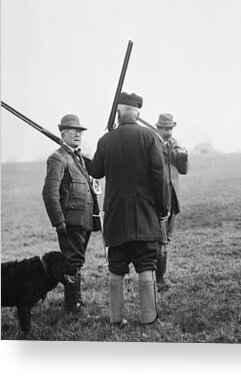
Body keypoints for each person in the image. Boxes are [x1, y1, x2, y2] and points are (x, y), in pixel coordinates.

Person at [90, 92, 168, 325]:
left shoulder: (106, 140)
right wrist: (163, 209)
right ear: (137, 114)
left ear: (118, 114)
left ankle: (115, 319)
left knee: (116, 268)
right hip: (145, 215)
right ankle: (148, 318)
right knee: (146, 265)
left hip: (115, 217)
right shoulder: (150, 136)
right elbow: (159, 178)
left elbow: (95, 171)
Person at [42, 114, 99, 316]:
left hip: (84, 221)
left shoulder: (79, 159)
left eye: (79, 131)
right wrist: (58, 221)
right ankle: (73, 308)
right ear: (62, 134)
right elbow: (49, 193)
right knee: (73, 262)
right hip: (69, 223)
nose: (77, 134)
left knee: (76, 262)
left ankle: (74, 303)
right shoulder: (57, 158)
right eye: (72, 131)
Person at [154, 113, 189, 291]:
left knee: (166, 239)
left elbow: (183, 170)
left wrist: (182, 154)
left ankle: (162, 277)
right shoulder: (154, 144)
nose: (168, 131)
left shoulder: (174, 145)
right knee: (160, 240)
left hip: (173, 198)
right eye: (165, 128)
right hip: (160, 199)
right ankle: (159, 280)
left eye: (170, 128)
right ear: (158, 128)